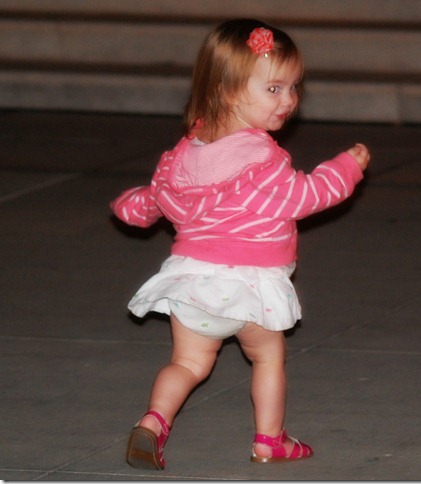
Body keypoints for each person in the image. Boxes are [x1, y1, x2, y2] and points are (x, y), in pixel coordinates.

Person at [110, 18, 370, 470]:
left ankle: (153, 422)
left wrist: (127, 206)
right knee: (268, 357)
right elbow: (305, 197)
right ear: (229, 91)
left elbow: (152, 201)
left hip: (191, 282)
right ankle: (270, 441)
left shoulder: (182, 155)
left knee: (187, 364)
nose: (289, 100)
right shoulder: (260, 159)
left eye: (294, 87)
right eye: (274, 89)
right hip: (250, 285)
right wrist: (346, 168)